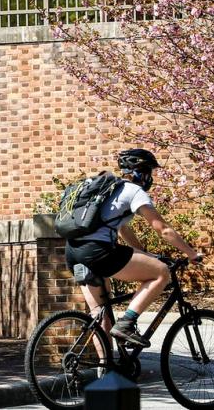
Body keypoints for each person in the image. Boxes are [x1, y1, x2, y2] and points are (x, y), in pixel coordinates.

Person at [65, 148, 202, 347]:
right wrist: (191, 253)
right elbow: (162, 229)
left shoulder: (110, 189)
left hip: (73, 251)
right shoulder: (133, 191)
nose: (151, 178)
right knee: (161, 273)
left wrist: (144, 254)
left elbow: (123, 229)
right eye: (150, 172)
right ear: (141, 172)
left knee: (99, 316)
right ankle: (127, 323)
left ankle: (105, 371)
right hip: (99, 252)